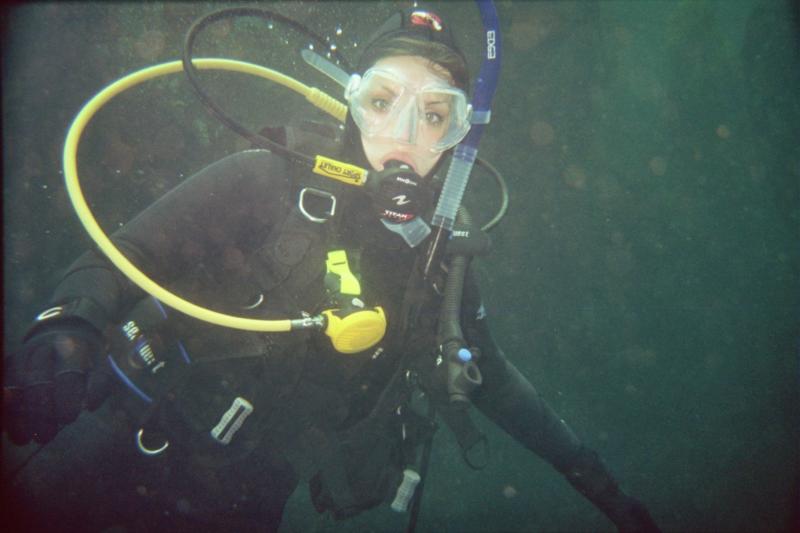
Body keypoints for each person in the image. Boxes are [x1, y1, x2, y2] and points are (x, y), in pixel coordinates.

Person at [3, 6, 659, 532]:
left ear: (460, 137)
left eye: (435, 115)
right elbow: (126, 255)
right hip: (115, 447)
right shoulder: (264, 178)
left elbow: (492, 383)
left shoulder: (436, 262)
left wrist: (595, 480)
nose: (403, 133)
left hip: (244, 506)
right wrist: (66, 326)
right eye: (382, 101)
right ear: (350, 102)